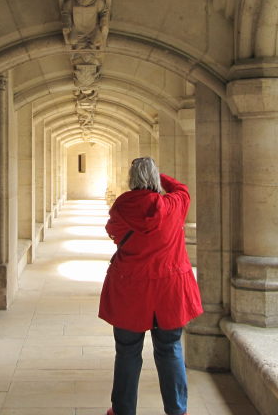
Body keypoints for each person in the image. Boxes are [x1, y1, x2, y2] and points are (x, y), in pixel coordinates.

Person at [98, 157, 203, 415]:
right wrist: (159, 174)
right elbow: (183, 189)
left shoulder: (122, 206)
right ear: (154, 178)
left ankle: (123, 410)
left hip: (130, 291)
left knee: (127, 352)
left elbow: (113, 231)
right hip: (169, 292)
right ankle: (177, 410)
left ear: (131, 179)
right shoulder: (173, 205)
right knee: (170, 349)